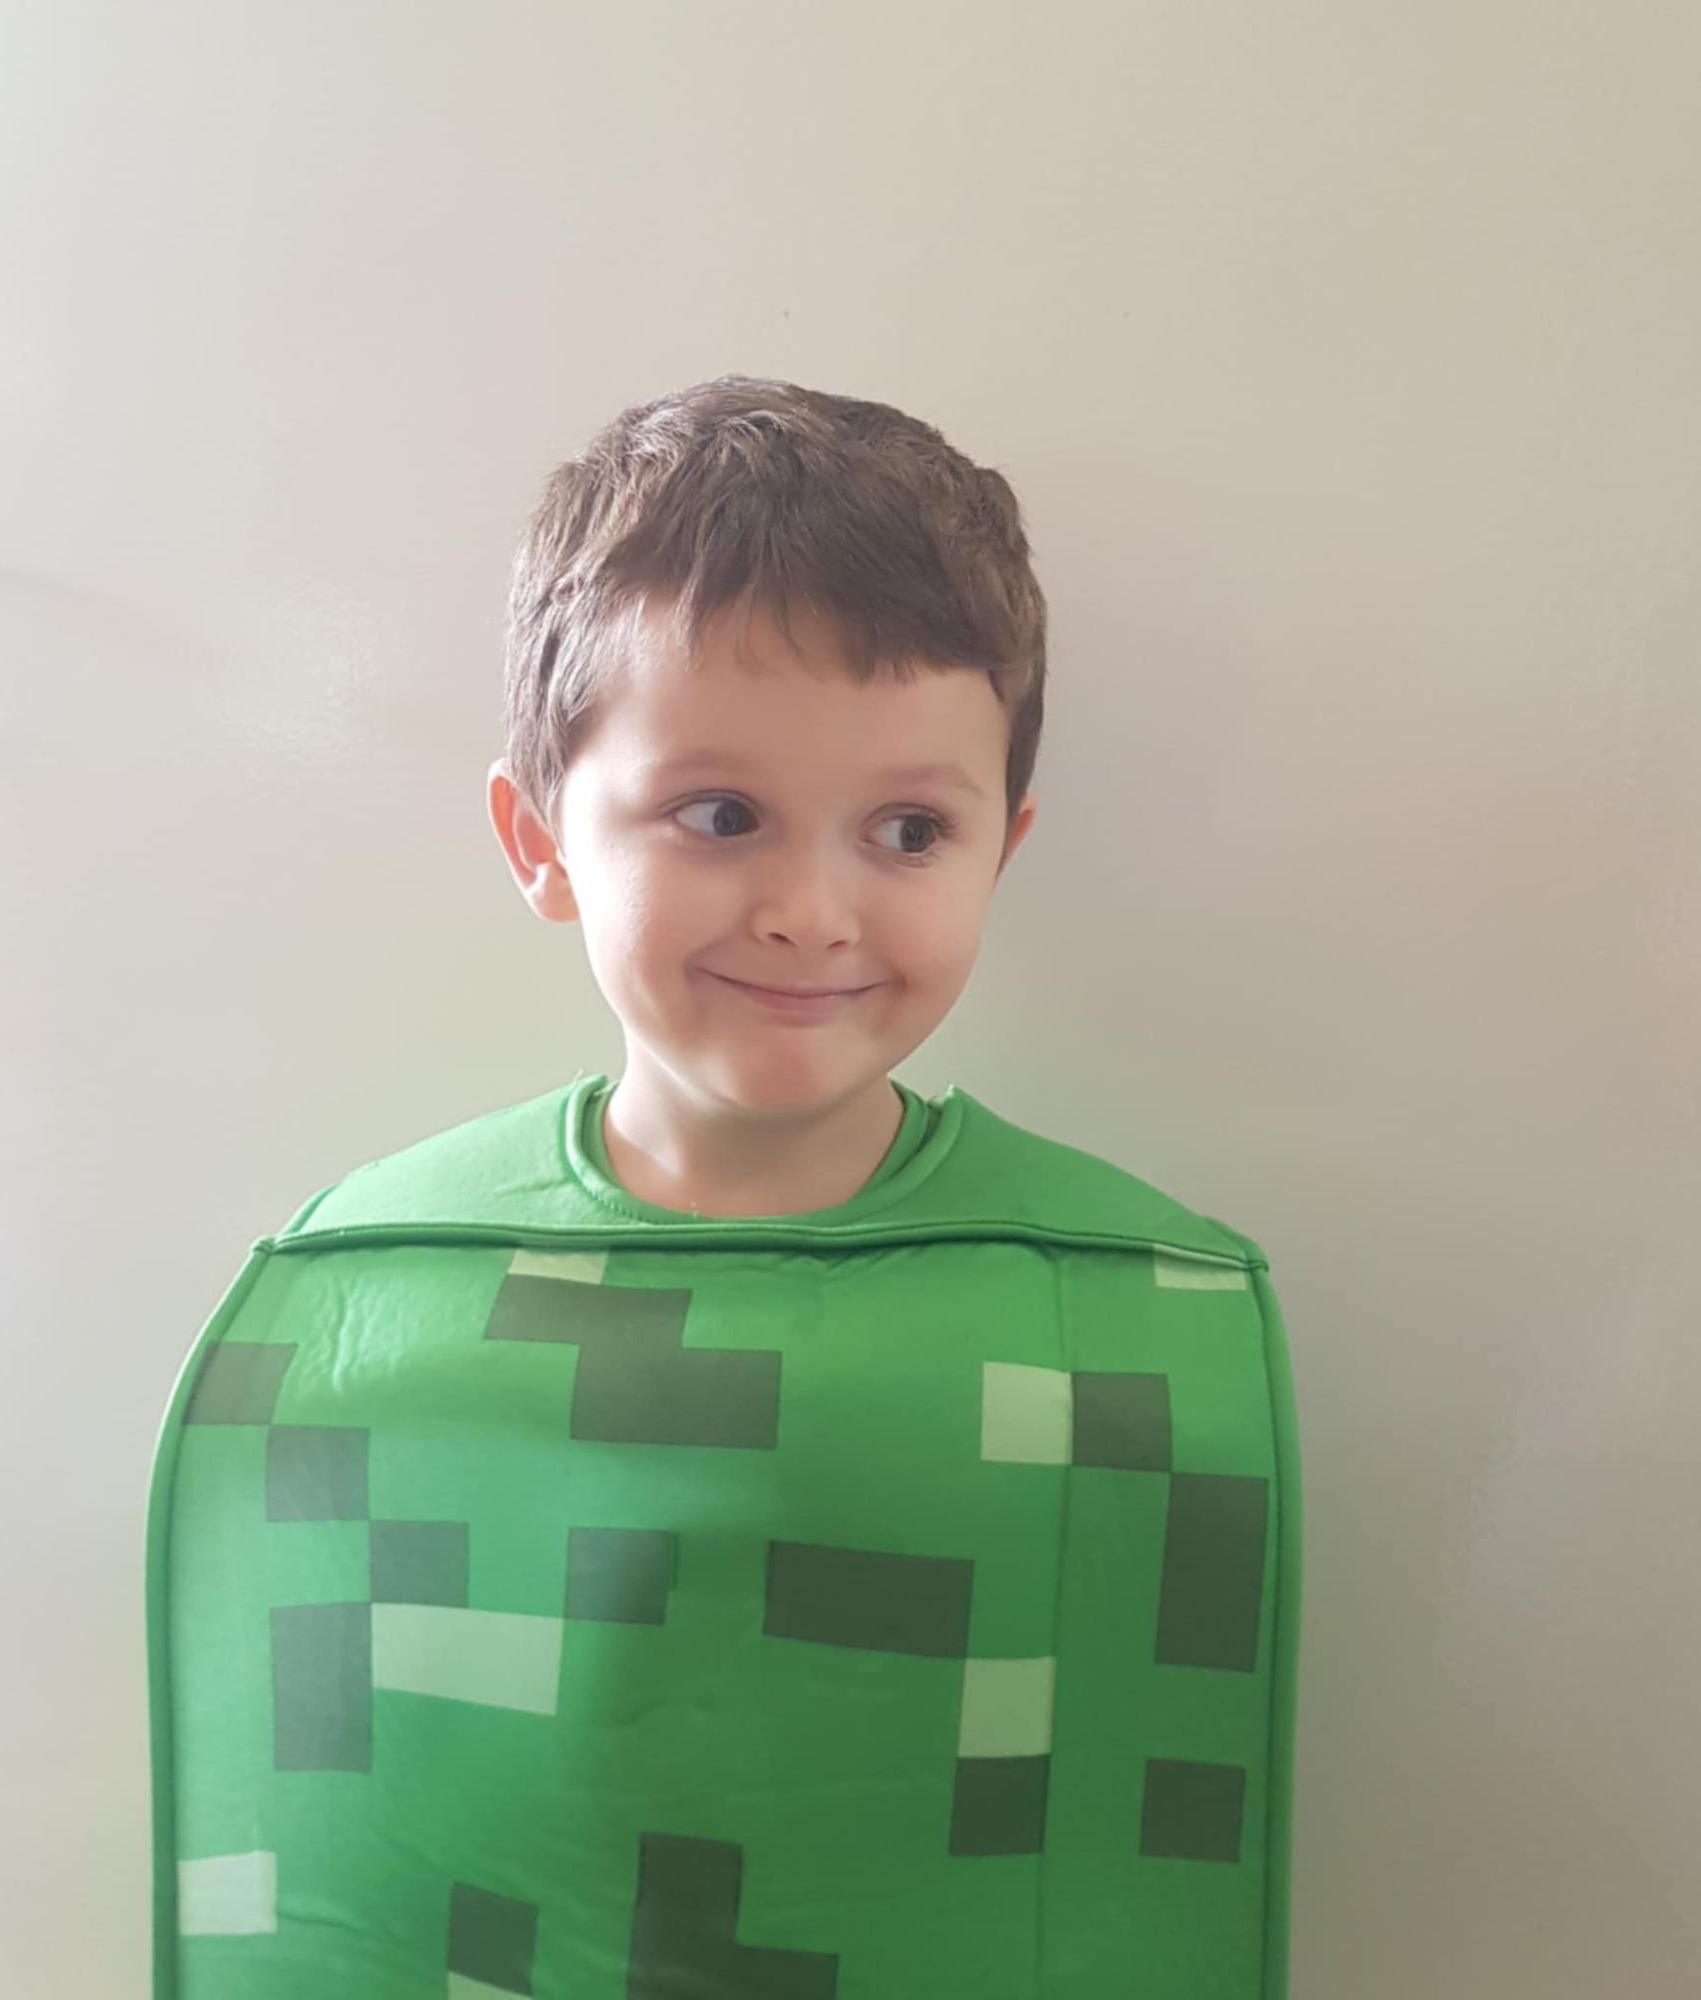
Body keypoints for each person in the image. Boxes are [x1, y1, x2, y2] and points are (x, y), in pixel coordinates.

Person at [148, 376, 1301, 1998]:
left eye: (909, 829)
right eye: (719, 814)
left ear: (1004, 848)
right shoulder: (363, 1309)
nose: (811, 911)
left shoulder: (1125, 1323)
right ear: (540, 840)